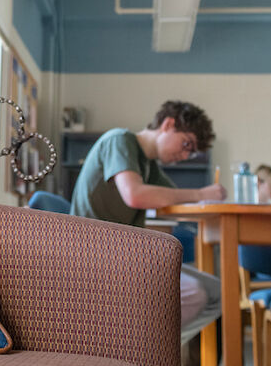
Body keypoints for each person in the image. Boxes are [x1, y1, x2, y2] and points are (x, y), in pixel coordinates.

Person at [69, 100, 226, 353]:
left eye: (191, 152)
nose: (185, 156)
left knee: (218, 291)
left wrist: (206, 200)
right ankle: (139, 349)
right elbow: (135, 195)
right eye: (186, 144)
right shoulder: (119, 140)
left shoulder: (148, 165)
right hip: (96, 255)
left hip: (125, 255)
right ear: (168, 124)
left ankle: (153, 349)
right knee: (195, 293)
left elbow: (175, 200)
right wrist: (199, 193)